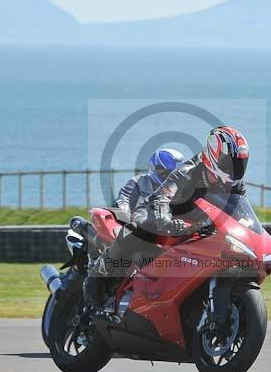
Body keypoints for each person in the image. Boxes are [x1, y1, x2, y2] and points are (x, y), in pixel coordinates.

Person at [84, 126, 249, 307]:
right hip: (157, 214)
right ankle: (98, 274)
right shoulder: (188, 172)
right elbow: (162, 198)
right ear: (214, 154)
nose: (236, 168)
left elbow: (240, 213)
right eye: (231, 162)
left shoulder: (236, 185)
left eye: (240, 162)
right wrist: (166, 221)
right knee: (135, 230)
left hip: (194, 225)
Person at [114, 148, 185, 215]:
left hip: (174, 222)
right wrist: (124, 211)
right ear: (155, 169)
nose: (171, 177)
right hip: (140, 222)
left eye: (176, 173)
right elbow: (124, 202)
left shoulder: (183, 185)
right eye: (167, 172)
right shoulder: (138, 183)